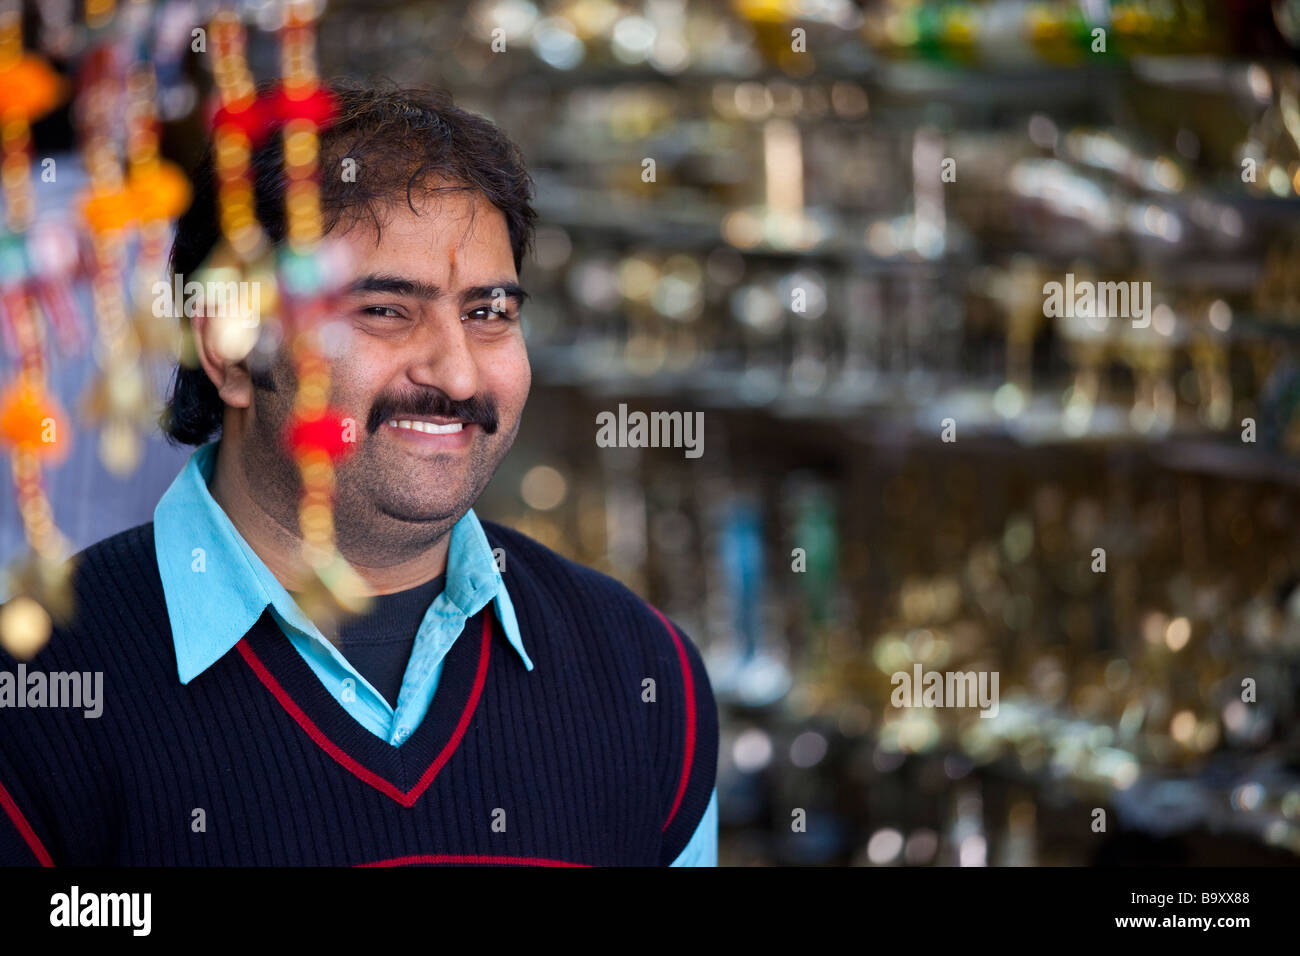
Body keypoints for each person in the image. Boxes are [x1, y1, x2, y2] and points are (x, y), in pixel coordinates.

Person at [0, 81, 718, 866]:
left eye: (488, 314)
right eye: (383, 310)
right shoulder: (43, 697)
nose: (459, 375)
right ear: (231, 348)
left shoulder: (644, 674)